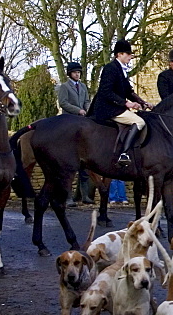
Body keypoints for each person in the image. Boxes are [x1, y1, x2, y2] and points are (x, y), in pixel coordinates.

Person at [90, 39, 150, 167]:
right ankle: (124, 154)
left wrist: (143, 103)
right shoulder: (110, 68)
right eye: (128, 54)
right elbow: (105, 92)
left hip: (116, 107)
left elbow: (129, 92)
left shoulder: (121, 70)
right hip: (108, 108)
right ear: (119, 54)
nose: (130, 56)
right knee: (139, 122)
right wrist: (126, 104)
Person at [57, 61, 94, 205]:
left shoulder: (83, 86)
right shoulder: (64, 87)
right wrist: (78, 110)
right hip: (69, 119)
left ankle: (85, 195)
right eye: (75, 72)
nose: (77, 74)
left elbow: (86, 100)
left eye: (79, 72)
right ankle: (67, 197)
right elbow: (63, 103)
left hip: (82, 119)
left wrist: (87, 110)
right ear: (70, 74)